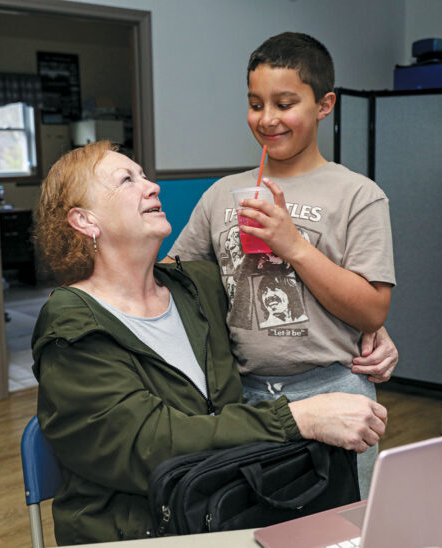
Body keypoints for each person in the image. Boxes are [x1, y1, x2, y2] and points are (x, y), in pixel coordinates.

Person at [31, 141, 388, 545]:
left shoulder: (197, 287)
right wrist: (297, 419)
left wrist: (364, 329)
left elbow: (275, 308)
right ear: (84, 220)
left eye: (145, 175)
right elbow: (151, 444)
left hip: (219, 508)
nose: (152, 187)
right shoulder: (71, 324)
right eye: (126, 180)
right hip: (137, 530)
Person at [166, 32, 397, 497]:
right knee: (252, 523)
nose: (267, 119)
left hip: (334, 388)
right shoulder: (219, 195)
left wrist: (293, 245)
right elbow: (174, 279)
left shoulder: (357, 195)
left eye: (285, 103)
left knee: (340, 527)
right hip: (242, 396)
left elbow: (372, 311)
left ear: (324, 104)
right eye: (255, 104)